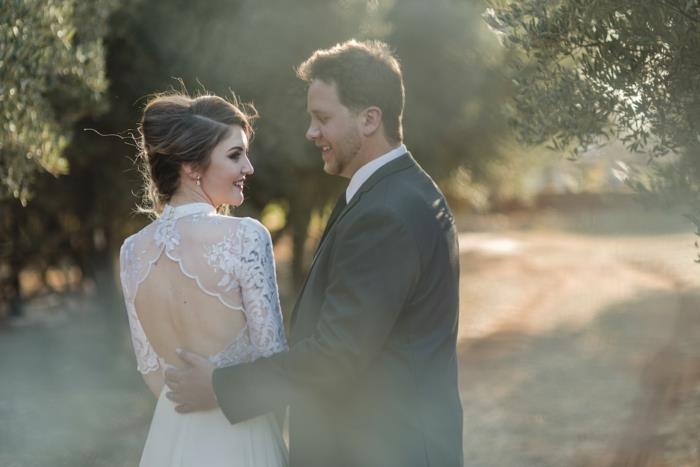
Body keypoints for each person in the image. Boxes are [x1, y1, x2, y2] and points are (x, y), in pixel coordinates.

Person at [166, 40, 464, 467]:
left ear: (369, 119)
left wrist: (221, 387)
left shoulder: (388, 212)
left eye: (322, 118)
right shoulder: (393, 193)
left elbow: (337, 355)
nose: (311, 132)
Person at [119, 92, 289, 466]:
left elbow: (151, 372)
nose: (249, 167)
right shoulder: (246, 237)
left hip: (170, 437)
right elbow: (274, 365)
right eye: (234, 155)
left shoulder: (132, 252)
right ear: (192, 167)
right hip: (241, 435)